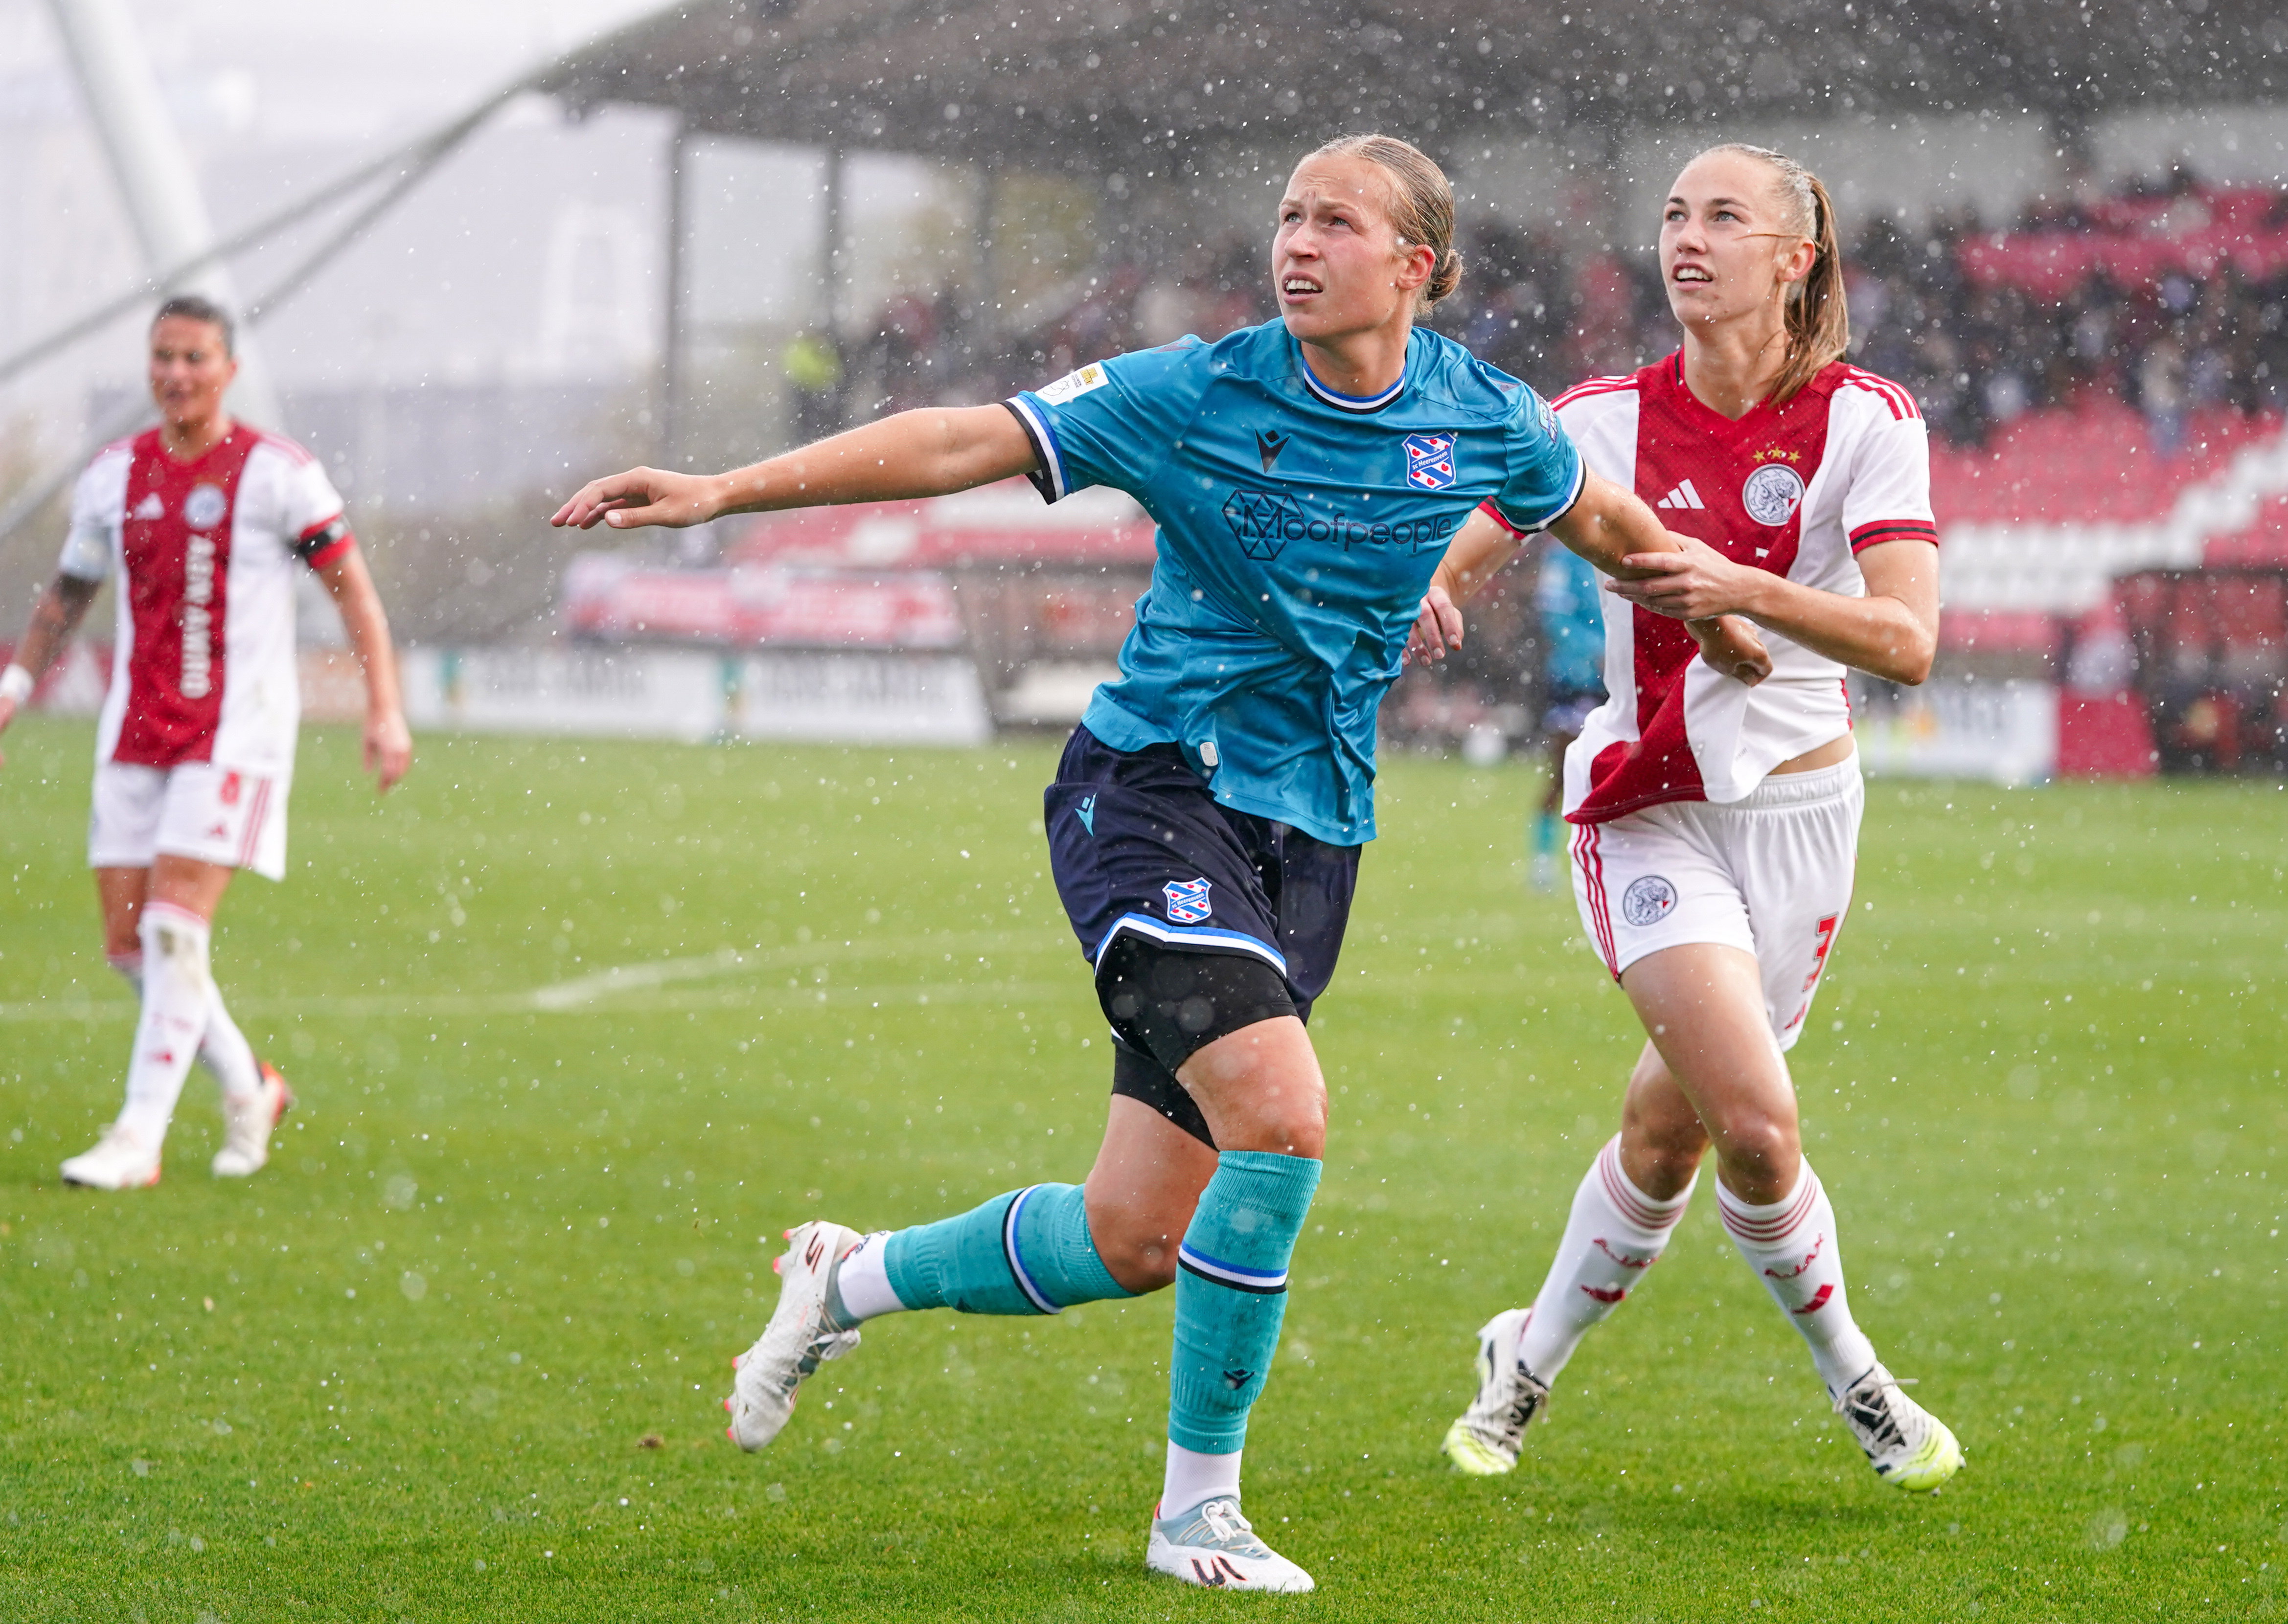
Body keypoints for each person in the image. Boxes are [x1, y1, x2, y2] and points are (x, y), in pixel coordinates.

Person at [555, 133, 1765, 1593]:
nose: (1296, 243)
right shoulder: (1196, 388)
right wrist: (719, 489)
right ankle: (1197, 1508)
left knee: (1134, 1232)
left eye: (1335, 221)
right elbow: (964, 438)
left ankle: (846, 1276)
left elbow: (1607, 519)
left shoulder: (1482, 415)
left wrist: (1710, 614)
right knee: (1283, 1115)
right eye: (1287, 215)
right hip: (1150, 790)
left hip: (1312, 835)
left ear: (1420, 268)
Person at [1413, 143, 1962, 1492]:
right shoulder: (1595, 415)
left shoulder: (1866, 419)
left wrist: (1738, 589)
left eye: (1723, 216)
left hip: (1802, 820)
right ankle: (1861, 1382)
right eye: (1669, 213)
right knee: (1760, 1129)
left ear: (1795, 258)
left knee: (1673, 1133)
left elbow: (1905, 644)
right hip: (1645, 808)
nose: (1685, 237)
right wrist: (1430, 590)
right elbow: (1481, 530)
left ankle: (1520, 1360)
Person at [0, 294, 412, 1190]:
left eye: (196, 358)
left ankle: (138, 1138)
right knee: (132, 948)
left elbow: (354, 595)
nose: (177, 374)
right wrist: (15, 687)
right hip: (134, 733)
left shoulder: (280, 475)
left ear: (229, 370)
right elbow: (67, 596)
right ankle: (250, 1086)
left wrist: (385, 708)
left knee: (174, 927)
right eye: (164, 357)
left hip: (235, 737)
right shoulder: (112, 477)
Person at [1527, 537, 1606, 891]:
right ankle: (1543, 862)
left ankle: (1608, 859)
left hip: (1621, 679)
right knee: (1562, 772)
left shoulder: (1625, 545)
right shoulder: (1563, 557)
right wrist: (1599, 651)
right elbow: (1554, 618)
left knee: (1616, 775)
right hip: (1576, 679)